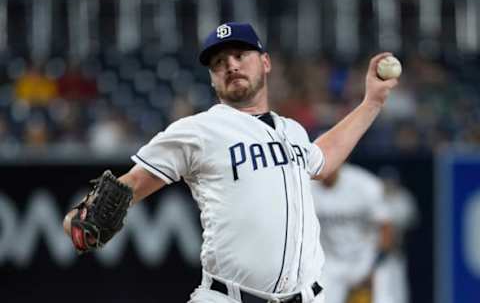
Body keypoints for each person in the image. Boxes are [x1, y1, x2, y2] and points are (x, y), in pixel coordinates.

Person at [63, 22, 398, 303]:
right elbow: (131, 183)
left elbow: (323, 160)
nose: (231, 65)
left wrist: (372, 101)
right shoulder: (198, 131)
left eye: (240, 55)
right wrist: (82, 215)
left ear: (265, 62)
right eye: (219, 62)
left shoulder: (292, 131)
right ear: (212, 78)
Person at [311, 163, 393, 303]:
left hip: (365, 258)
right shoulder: (307, 187)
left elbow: (385, 227)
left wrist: (375, 265)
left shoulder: (364, 184)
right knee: (316, 299)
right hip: (331, 262)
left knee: (384, 298)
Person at [373, 166, 418, 303]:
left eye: (391, 182)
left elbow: (411, 222)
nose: (388, 185)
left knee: (399, 294)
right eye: (385, 182)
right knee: (379, 294)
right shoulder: (372, 197)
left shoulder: (403, 199)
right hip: (375, 256)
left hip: (396, 254)